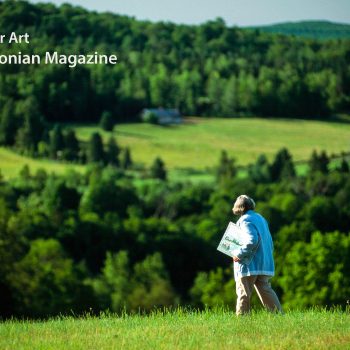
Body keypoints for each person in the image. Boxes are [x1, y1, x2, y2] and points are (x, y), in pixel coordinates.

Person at [231, 195, 282, 315]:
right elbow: (268, 240)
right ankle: (278, 315)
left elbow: (252, 240)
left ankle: (242, 321)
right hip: (263, 262)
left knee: (243, 293)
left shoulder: (245, 220)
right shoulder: (260, 218)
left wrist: (239, 253)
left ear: (239, 207)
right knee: (266, 290)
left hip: (249, 264)